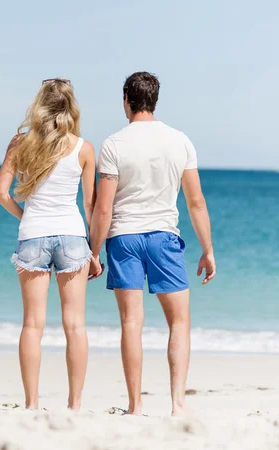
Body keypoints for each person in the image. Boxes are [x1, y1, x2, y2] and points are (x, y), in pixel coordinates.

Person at [89, 71, 216, 416]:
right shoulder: (180, 141)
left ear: (126, 101)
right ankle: (177, 404)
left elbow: (104, 207)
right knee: (179, 322)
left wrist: (94, 250)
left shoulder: (114, 143)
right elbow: (196, 202)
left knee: (132, 322)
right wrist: (207, 249)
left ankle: (135, 406)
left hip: (124, 237)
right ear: (155, 100)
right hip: (165, 237)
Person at [0, 78, 101, 410]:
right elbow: (89, 206)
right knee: (75, 324)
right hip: (72, 236)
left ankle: (31, 403)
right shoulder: (83, 148)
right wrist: (94, 251)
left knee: (32, 324)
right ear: (71, 107)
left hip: (33, 235)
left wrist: (25, 215)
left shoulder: (20, 144)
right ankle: (74, 405)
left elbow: (1, 193)